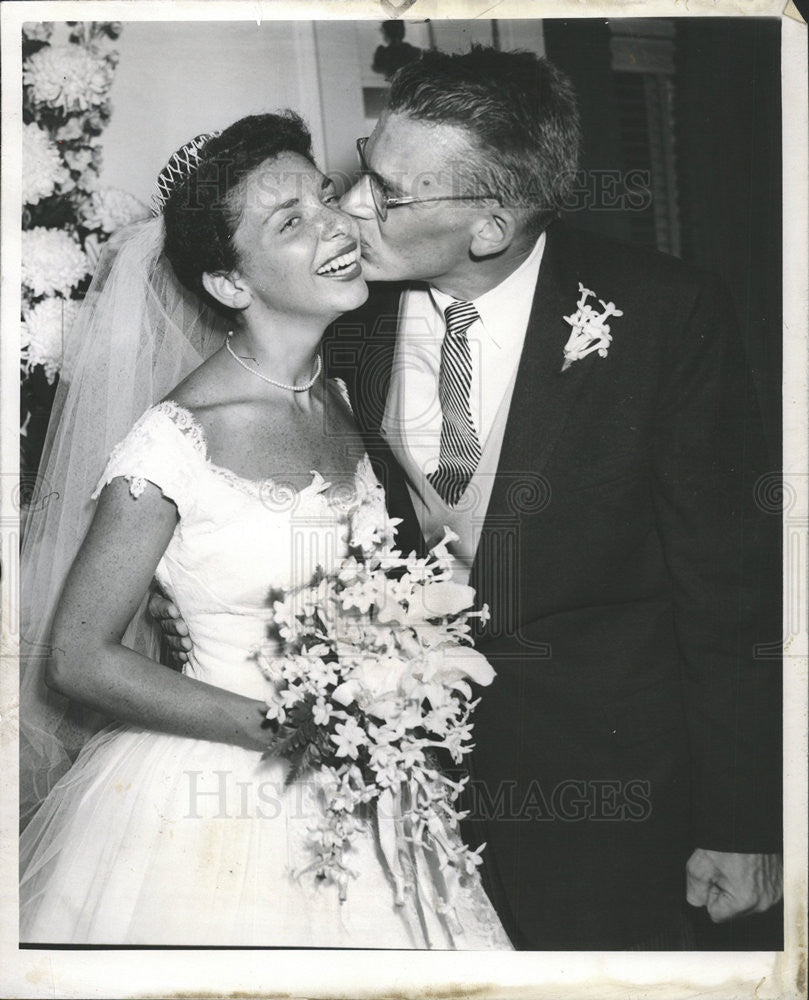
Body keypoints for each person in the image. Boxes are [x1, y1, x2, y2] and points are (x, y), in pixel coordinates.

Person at [156, 47, 783, 950]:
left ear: (489, 227)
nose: (353, 208)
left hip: (614, 788)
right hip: (409, 785)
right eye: (363, 169)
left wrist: (743, 819)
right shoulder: (345, 312)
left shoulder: (664, 317)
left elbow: (732, 592)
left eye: (390, 193)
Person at [18, 111, 513, 949]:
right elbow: (77, 654)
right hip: (216, 793)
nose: (336, 224)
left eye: (325, 196)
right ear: (231, 285)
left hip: (373, 779)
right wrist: (289, 731)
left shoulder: (346, 395)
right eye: (292, 222)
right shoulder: (174, 440)